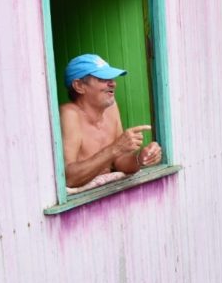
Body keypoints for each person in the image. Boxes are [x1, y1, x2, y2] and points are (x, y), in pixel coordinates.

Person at [60, 54, 162, 190]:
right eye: (103, 78)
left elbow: (120, 161)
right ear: (79, 86)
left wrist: (141, 158)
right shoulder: (69, 114)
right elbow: (69, 178)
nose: (113, 83)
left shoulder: (111, 108)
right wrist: (115, 148)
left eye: (112, 78)